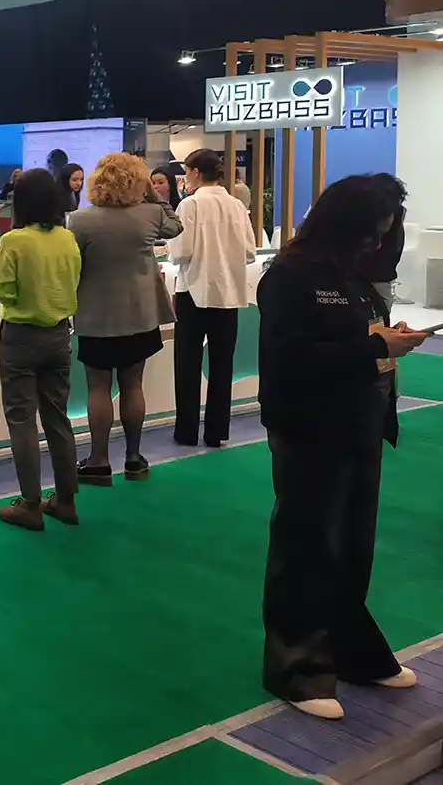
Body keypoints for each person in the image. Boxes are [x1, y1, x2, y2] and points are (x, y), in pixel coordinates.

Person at [257, 176, 429, 721]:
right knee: (306, 545)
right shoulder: (289, 277)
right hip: (309, 426)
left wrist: (384, 338)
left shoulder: (351, 276)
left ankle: (352, 649)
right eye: (372, 231)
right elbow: (291, 360)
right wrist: (375, 343)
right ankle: (296, 667)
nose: (376, 242)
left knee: (353, 546)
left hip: (359, 423)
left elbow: (356, 340)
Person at [69, 153, 183, 485]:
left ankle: (98, 460)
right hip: (140, 314)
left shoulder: (79, 220)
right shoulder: (150, 214)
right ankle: (134, 458)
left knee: (98, 387)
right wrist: (154, 195)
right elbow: (175, 225)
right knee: (133, 385)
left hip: (96, 315)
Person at [0, 168, 81, 531]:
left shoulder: (13, 241)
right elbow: (74, 282)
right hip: (59, 335)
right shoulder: (67, 239)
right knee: (58, 417)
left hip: (21, 337)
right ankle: (66, 500)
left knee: (22, 420)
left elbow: (5, 290)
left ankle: (30, 503)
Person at [166, 148, 257, 448]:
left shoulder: (190, 205)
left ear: (195, 172)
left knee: (187, 365)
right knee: (222, 366)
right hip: (228, 294)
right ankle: (216, 431)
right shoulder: (236, 206)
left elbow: (180, 251)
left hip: (193, 292)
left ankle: (187, 431)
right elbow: (249, 252)